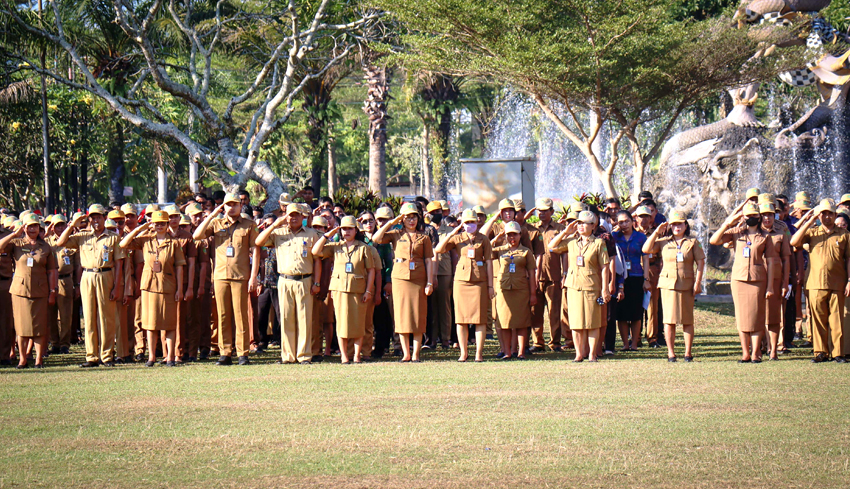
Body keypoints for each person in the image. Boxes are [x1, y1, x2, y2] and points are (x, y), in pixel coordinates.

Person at [193, 193, 260, 366]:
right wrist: (214, 214)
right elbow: (197, 235)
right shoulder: (216, 223)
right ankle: (225, 352)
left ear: (240, 206)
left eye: (235, 204)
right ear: (223, 206)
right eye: (228, 205)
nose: (232, 208)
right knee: (222, 314)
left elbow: (256, 250)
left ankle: (243, 353)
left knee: (240, 315)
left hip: (241, 275)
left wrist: (254, 276)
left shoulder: (249, 225)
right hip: (221, 275)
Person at [55, 204, 125, 368]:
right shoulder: (82, 236)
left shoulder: (113, 237)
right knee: (89, 317)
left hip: (106, 274)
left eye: (98, 217)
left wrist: (117, 286)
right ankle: (91, 356)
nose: (95, 220)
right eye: (92, 217)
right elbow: (60, 242)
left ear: (104, 218)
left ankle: (107, 356)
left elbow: (119, 263)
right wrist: (73, 224)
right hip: (87, 276)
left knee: (106, 317)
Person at [254, 202, 322, 364]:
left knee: (304, 319)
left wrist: (317, 283)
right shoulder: (278, 233)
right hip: (284, 280)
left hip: (305, 280)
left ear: (302, 216)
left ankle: (304, 355)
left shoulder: (311, 234)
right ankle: (288, 356)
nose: (294, 218)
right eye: (291, 215)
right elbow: (258, 241)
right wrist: (275, 224)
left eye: (297, 215)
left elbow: (317, 261)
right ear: (286, 215)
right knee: (286, 319)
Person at [710, 203, 777, 363]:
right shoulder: (736, 233)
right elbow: (714, 240)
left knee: (757, 316)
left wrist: (770, 286)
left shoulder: (765, 236)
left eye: (754, 215)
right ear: (743, 217)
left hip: (757, 280)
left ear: (759, 216)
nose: (751, 218)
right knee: (741, 317)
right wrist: (728, 222)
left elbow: (771, 262)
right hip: (739, 280)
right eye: (748, 216)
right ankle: (745, 353)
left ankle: (755, 353)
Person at [120, 211, 186, 367]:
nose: (159, 226)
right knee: (150, 323)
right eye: (156, 223)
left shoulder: (174, 243)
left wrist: (180, 289)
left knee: (169, 323)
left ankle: (170, 357)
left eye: (162, 223)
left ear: (167, 224)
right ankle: (151, 357)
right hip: (149, 286)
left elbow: (180, 267)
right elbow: (123, 244)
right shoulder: (146, 240)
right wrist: (141, 228)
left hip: (168, 286)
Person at [373, 202, 435, 363]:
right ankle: (405, 353)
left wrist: (429, 282)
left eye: (414, 217)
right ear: (402, 219)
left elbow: (429, 261)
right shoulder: (395, 234)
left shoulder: (424, 237)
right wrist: (392, 222)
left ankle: (416, 354)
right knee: (401, 315)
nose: (411, 221)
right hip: (400, 278)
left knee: (418, 315)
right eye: (407, 218)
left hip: (419, 279)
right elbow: (376, 238)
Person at [790, 199, 850, 363]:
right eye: (823, 213)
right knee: (817, 320)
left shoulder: (844, 235)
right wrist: (810, 220)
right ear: (819, 215)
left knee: (837, 319)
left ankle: (838, 353)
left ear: (835, 215)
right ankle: (820, 352)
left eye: (830, 213)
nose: (827, 217)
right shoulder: (813, 232)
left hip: (838, 283)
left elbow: (849, 259)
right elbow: (794, 242)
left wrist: (849, 280)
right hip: (815, 283)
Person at [642, 210, 705, 362]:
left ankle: (688, 353)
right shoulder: (664, 241)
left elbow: (701, 262)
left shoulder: (693, 242)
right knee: (669, 320)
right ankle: (671, 353)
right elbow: (645, 249)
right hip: (668, 284)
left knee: (687, 320)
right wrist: (657, 231)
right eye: (674, 224)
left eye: (680, 224)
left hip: (687, 284)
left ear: (685, 225)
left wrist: (698, 283)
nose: (677, 227)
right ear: (670, 226)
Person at [312, 216, 376, 364]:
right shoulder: (335, 246)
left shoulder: (363, 248)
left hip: (358, 290)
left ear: (356, 230)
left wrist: (368, 291)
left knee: (358, 324)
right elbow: (315, 251)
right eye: (344, 229)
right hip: (339, 289)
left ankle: (356, 356)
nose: (346, 232)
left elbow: (371, 270)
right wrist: (329, 233)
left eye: (350, 228)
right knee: (341, 324)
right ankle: (344, 356)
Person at [548, 211, 611, 362]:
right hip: (574, 286)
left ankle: (592, 354)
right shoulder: (571, 242)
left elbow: (605, 267)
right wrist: (565, 231)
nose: (581, 226)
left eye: (584, 223)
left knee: (592, 322)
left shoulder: (599, 243)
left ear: (593, 225)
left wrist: (605, 288)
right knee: (576, 322)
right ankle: (578, 354)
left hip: (591, 286)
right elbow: (551, 246)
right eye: (579, 223)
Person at [435, 209, 494, 362]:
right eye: (467, 222)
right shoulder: (458, 238)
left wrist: (490, 286)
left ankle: (478, 354)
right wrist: (452, 233)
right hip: (461, 281)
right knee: (461, 319)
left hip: (479, 281)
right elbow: (439, 249)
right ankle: (463, 352)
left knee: (480, 319)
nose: (470, 225)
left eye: (472, 222)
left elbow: (489, 263)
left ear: (477, 222)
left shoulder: (484, 239)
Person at [0, 214, 58, 368]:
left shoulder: (45, 247)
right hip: (20, 290)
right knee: (21, 327)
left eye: (35, 226)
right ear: (24, 227)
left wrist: (53, 291)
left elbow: (52, 270)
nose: (32, 229)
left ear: (39, 228)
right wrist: (14, 233)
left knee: (39, 326)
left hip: (40, 290)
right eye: (29, 226)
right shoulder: (17, 243)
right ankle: (22, 359)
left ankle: (39, 359)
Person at [490, 221, 537, 359]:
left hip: (521, 289)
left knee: (521, 321)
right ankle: (507, 351)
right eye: (509, 235)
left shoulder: (526, 252)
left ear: (520, 235)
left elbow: (532, 273)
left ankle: (521, 351)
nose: (512, 238)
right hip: (503, 290)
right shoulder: (500, 250)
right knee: (504, 322)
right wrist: (496, 239)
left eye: (514, 235)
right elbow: (485, 250)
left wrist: (533, 294)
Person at [525, 198, 566, 352]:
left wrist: (564, 273)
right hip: (535, 276)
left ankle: (555, 343)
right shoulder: (532, 229)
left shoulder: (559, 228)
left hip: (554, 275)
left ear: (552, 212)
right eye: (539, 210)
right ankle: (537, 342)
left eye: (545, 210)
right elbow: (520, 223)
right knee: (535, 312)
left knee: (554, 311)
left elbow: (564, 253)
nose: (541, 213)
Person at [612, 210, 649, 351]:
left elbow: (645, 259)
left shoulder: (640, 237)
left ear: (632, 221)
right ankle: (625, 344)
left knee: (635, 313)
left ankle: (634, 344)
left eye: (626, 221)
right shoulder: (614, 237)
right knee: (621, 313)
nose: (624, 224)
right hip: (620, 278)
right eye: (620, 222)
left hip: (636, 276)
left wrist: (646, 279)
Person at [759, 201, 792, 360]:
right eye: (764, 215)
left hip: (776, 278)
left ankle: (773, 350)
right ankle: (759, 347)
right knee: (757, 314)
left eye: (770, 215)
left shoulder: (781, 232)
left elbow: (786, 259)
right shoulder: (752, 232)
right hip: (756, 278)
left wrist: (786, 283)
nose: (767, 218)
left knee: (774, 316)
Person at [46, 214, 79, 355]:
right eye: (56, 225)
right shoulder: (46, 241)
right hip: (48, 281)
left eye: (62, 225)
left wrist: (77, 285)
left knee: (66, 315)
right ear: (52, 227)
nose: (59, 228)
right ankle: (55, 343)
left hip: (66, 280)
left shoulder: (71, 241)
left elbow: (78, 265)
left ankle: (65, 344)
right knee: (50, 315)